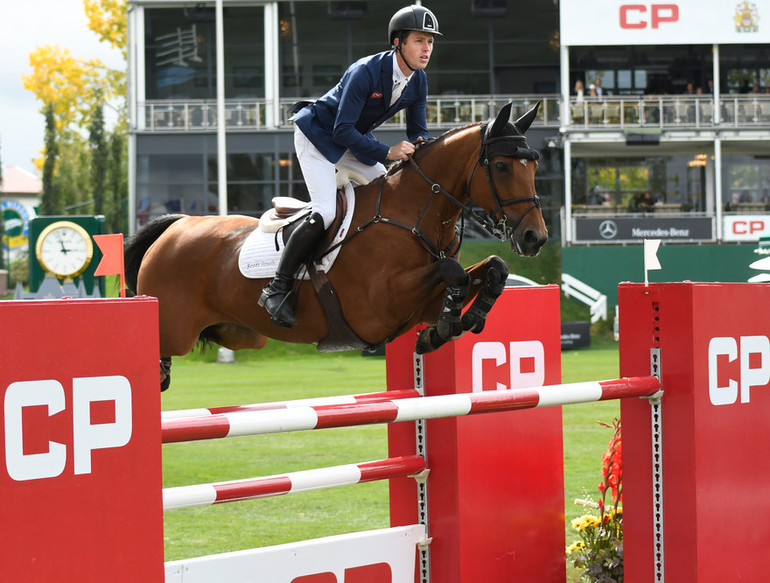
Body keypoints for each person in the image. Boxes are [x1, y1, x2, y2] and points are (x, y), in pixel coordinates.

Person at [258, 5, 441, 328]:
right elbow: (341, 130)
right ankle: (277, 288)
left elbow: (418, 129)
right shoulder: (365, 72)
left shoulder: (418, 80)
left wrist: (423, 145)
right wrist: (388, 151)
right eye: (418, 41)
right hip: (317, 136)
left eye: (430, 42)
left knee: (390, 195)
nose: (426, 48)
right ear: (398, 43)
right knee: (326, 211)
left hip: (351, 142)